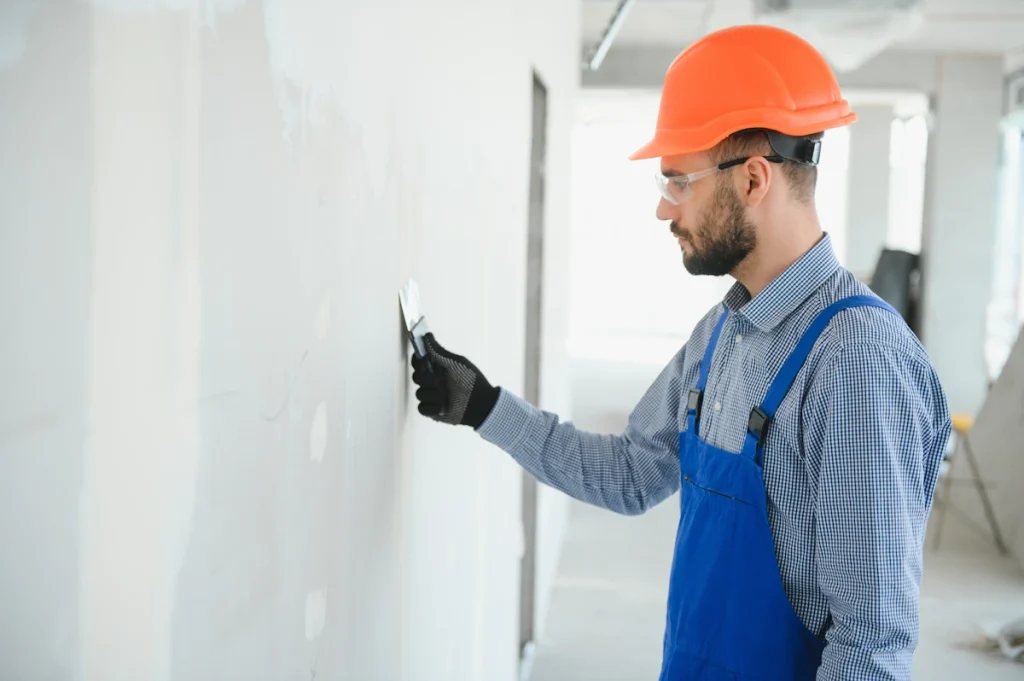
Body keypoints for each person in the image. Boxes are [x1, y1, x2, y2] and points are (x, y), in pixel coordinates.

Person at [410, 24, 951, 681]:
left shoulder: (857, 362)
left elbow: (870, 646)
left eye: (678, 182)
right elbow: (634, 473)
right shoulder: (724, 332)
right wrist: (487, 406)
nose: (664, 211)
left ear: (753, 180)